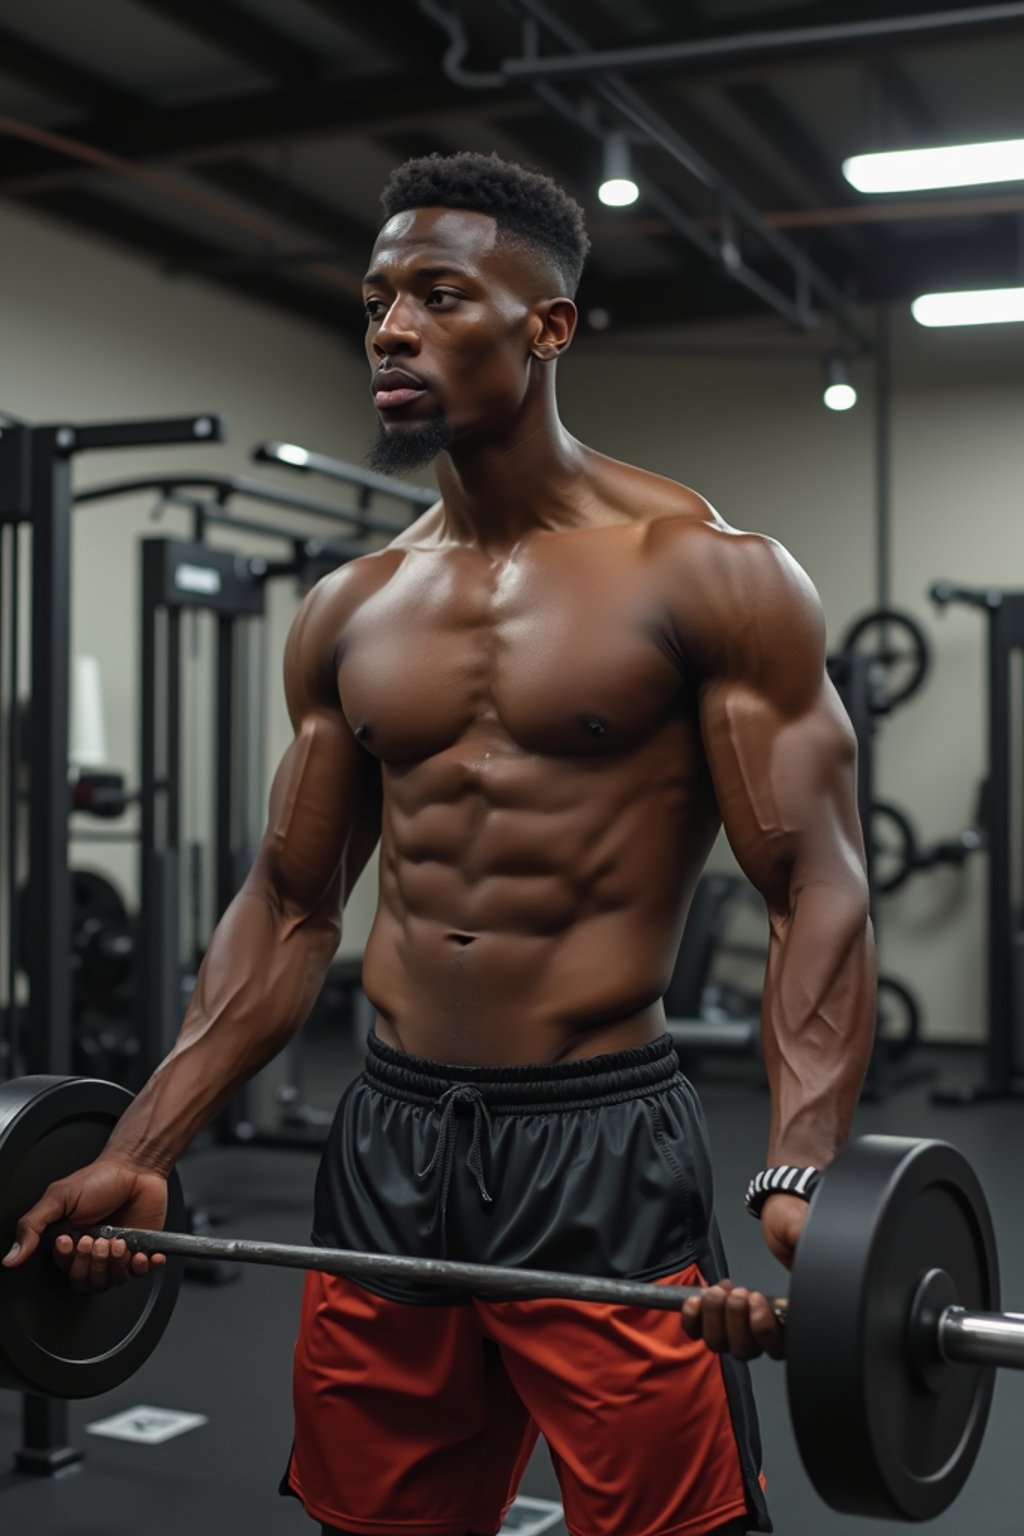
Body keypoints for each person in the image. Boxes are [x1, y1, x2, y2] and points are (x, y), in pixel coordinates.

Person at [3, 152, 875, 1536]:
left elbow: (814, 881)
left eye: (437, 295)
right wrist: (145, 1137)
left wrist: (798, 1167)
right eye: (374, 303)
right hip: (386, 1144)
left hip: (599, 1148)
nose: (390, 330)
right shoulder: (352, 607)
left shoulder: (709, 572)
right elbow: (291, 906)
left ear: (550, 327)